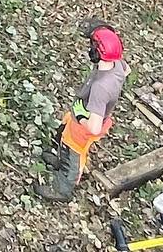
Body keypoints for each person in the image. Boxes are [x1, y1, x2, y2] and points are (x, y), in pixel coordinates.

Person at [38, 20, 128, 201]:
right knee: (62, 135)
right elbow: (127, 70)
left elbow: (94, 128)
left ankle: (62, 190)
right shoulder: (117, 65)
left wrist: (82, 116)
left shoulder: (101, 88)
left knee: (73, 155)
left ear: (97, 53)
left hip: (84, 126)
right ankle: (59, 159)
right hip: (79, 116)